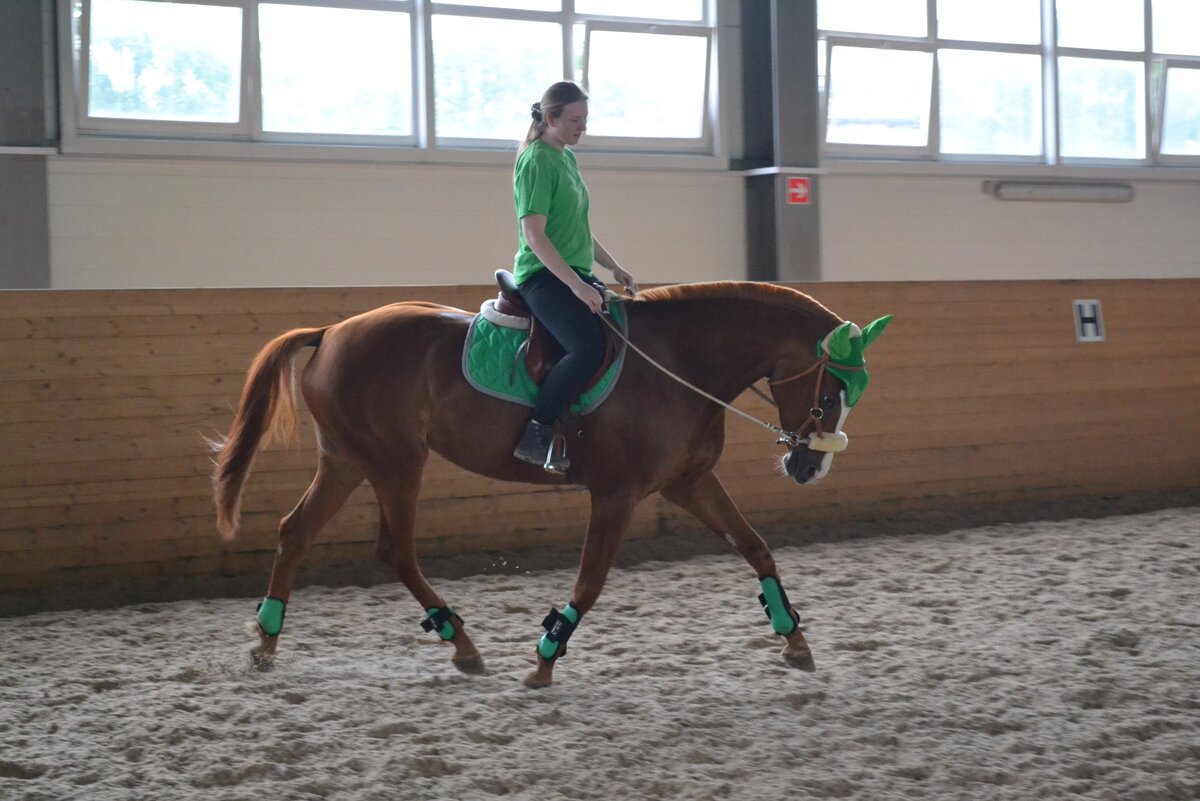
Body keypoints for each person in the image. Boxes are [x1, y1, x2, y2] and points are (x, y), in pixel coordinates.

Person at [510, 80, 638, 474]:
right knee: (586, 348)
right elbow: (535, 234)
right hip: (542, 277)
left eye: (585, 119)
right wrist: (577, 286)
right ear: (550, 119)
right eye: (575, 119)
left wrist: (612, 266)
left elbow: (578, 228)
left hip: (573, 273)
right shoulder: (536, 160)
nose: (582, 126)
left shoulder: (565, 157)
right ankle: (538, 429)